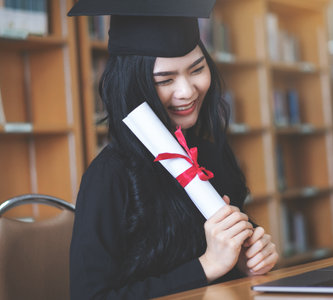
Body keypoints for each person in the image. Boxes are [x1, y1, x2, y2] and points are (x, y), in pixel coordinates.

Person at [68, 0, 278, 298]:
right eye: (165, 79)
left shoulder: (209, 153)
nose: (187, 91)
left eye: (196, 69)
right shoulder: (109, 177)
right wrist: (206, 266)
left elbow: (228, 258)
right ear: (133, 86)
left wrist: (250, 255)